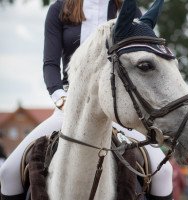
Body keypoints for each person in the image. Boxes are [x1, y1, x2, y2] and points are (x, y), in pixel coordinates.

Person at [0, 0, 173, 199]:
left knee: (164, 174)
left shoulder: (128, 10)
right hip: (71, 106)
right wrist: (61, 98)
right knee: (8, 173)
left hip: (115, 110)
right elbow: (50, 64)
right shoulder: (59, 9)